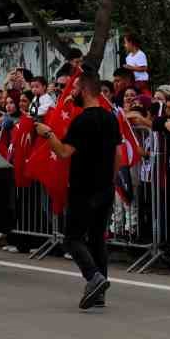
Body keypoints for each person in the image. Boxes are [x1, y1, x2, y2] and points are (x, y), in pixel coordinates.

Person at [34, 72, 122, 310]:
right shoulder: (110, 118)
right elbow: (118, 155)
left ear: (84, 90)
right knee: (96, 239)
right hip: (105, 188)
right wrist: (110, 181)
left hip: (83, 188)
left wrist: (48, 133)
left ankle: (94, 277)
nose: (71, 93)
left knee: (72, 238)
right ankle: (100, 292)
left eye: (74, 88)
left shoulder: (82, 121)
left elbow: (63, 152)